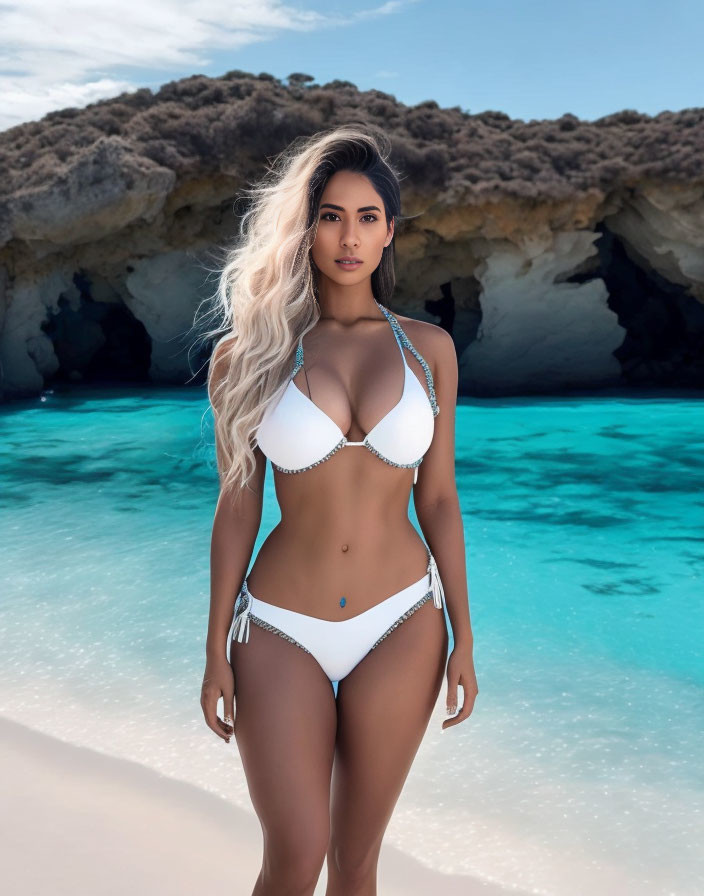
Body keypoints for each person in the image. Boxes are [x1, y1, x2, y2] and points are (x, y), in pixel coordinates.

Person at [201, 124, 477, 895]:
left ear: (389, 230)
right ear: (307, 227)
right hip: (280, 626)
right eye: (330, 215)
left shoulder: (430, 350)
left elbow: (441, 499)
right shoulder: (250, 352)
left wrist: (464, 635)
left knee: (356, 867)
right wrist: (216, 645)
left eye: (365, 217)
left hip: (403, 621)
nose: (348, 237)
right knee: (295, 854)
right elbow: (238, 505)